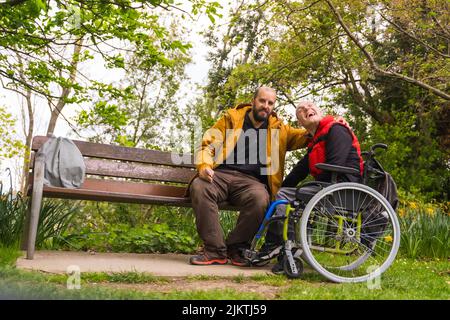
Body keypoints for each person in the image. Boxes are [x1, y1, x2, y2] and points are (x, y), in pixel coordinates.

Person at [188, 86, 310, 266]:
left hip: (251, 182)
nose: (266, 106)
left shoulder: (279, 129)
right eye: (262, 101)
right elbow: (207, 146)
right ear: (253, 101)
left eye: (270, 103)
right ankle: (214, 250)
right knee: (199, 186)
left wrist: (332, 123)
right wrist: (205, 166)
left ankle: (237, 247)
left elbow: (309, 134)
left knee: (261, 199)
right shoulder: (231, 119)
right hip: (221, 174)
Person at [262, 101, 364, 272]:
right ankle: (281, 247)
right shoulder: (316, 141)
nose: (307, 109)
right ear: (300, 123)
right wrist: (277, 190)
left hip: (343, 188)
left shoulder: (336, 129)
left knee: (285, 197)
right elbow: (298, 172)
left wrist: (294, 191)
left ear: (320, 111)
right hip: (328, 187)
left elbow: (336, 164)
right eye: (301, 110)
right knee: (282, 194)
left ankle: (275, 244)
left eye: (311, 106)